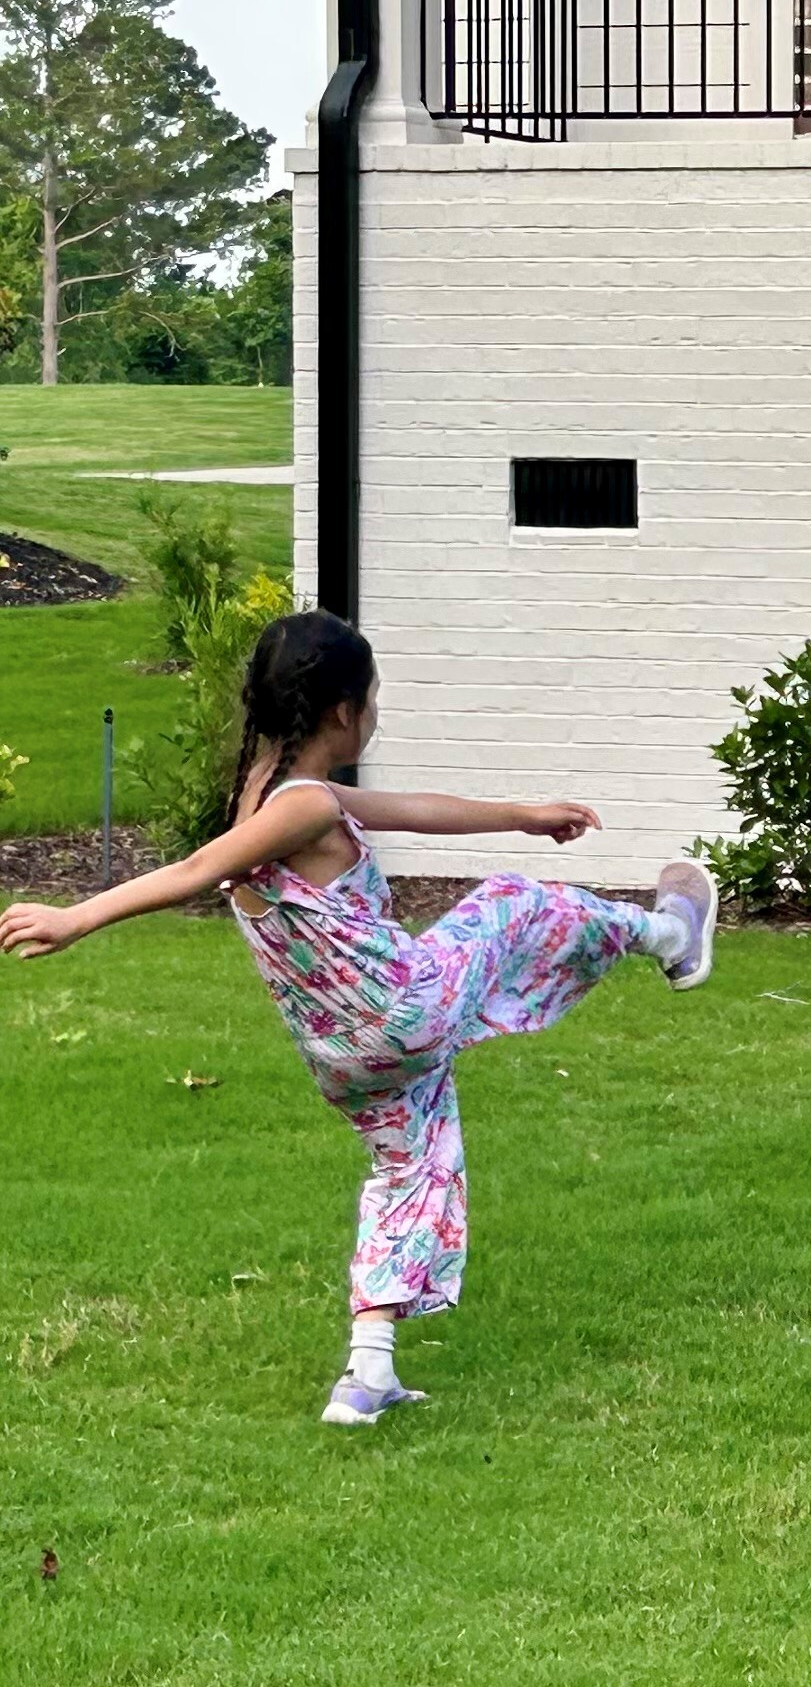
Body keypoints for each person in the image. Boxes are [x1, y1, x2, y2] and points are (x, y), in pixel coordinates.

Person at [0, 611, 715, 1427]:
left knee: (410, 1168)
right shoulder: (299, 806)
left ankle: (366, 1374)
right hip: (401, 1008)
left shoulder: (271, 792)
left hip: (342, 1055)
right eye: (372, 698)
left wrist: (519, 811)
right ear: (344, 712)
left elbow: (410, 808)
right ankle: (667, 934)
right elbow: (195, 870)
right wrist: (74, 918)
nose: (374, 712)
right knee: (512, 904)